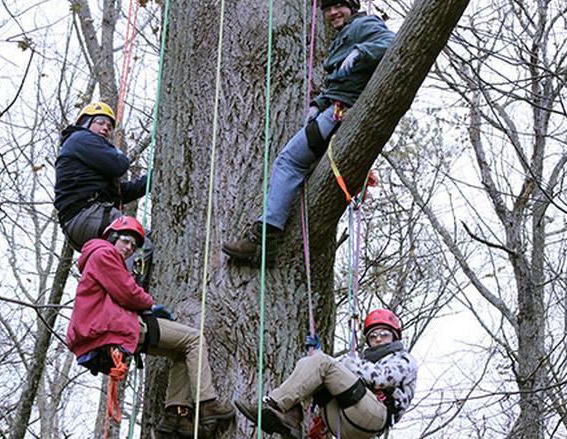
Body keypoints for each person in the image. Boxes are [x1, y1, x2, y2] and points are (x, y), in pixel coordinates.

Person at [222, 0, 394, 261]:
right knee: (296, 162)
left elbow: (391, 42)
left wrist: (362, 51)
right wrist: (317, 105)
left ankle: (264, 239)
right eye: (328, 8)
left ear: (351, 6)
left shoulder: (363, 24)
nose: (333, 12)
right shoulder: (341, 36)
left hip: (343, 111)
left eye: (339, 6)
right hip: (334, 108)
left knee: (289, 161)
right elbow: (336, 83)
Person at [65, 216, 234, 436]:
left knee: (181, 351)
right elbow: (126, 292)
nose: (128, 248)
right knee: (193, 339)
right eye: (125, 241)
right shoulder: (103, 253)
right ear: (112, 236)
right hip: (114, 326)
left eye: (133, 246)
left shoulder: (97, 258)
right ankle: (209, 405)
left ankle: (176, 416)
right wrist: (150, 304)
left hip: (109, 329)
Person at [235, 309, 417, 438]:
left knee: (323, 362)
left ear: (394, 336)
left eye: (384, 334)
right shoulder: (363, 362)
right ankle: (291, 418)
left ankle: (273, 404)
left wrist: (339, 362)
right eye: (372, 335)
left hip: (375, 416)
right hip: (345, 422)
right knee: (308, 364)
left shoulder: (404, 360)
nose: (378, 338)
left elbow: (379, 378)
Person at [54, 102, 147, 252]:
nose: (106, 128)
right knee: (143, 246)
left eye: (109, 127)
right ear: (85, 123)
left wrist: (149, 180)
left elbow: (119, 193)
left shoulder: (88, 155)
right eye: (100, 122)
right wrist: (115, 152)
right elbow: (119, 164)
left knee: (120, 255)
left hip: (82, 221)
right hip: (88, 215)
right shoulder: (80, 138)